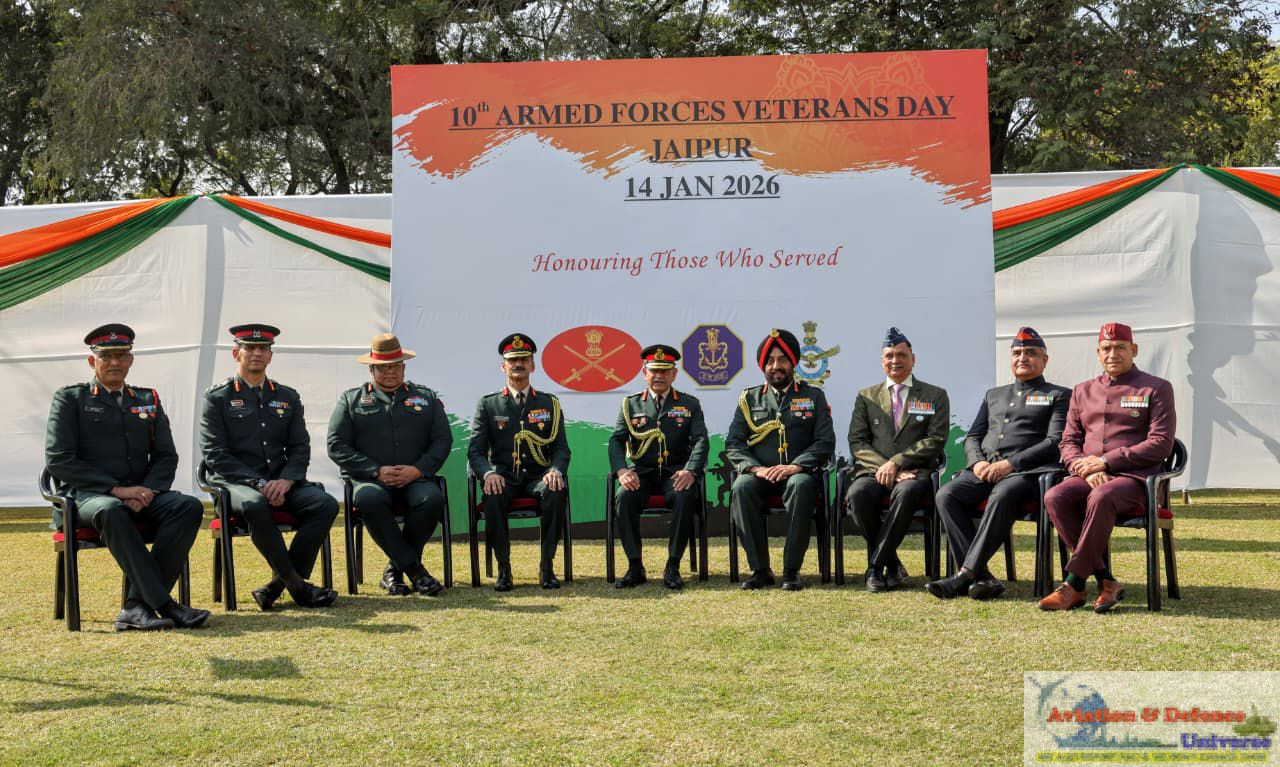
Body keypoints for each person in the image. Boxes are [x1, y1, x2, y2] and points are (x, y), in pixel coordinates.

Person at [45, 324, 209, 631]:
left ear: (131, 360)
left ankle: (136, 607)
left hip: (140, 494)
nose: (114, 362)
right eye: (106, 356)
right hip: (86, 497)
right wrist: (117, 490)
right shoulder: (70, 399)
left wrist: (147, 491)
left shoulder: (148, 398)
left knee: (187, 507)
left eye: (121, 355)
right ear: (92, 361)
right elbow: (59, 460)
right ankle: (165, 605)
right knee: (111, 509)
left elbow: (166, 456)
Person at [200, 323, 339, 610]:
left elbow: (299, 447)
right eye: (250, 348)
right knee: (255, 504)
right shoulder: (218, 397)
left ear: (270, 356)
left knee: (324, 504)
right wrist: (258, 483)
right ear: (236, 353)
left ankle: (276, 586)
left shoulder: (287, 397)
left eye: (263, 349)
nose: (256, 353)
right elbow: (215, 453)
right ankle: (298, 587)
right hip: (235, 483)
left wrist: (287, 480)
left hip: (280, 481)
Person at [1039, 322, 1175, 613]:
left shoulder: (1156, 388)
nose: (1113, 354)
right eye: (1106, 348)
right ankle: (1106, 580)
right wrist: (1085, 468)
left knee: (1101, 496)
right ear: (1098, 353)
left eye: (1120, 347)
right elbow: (1068, 441)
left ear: (1134, 350)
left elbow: (1161, 443)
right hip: (1089, 475)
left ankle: (1074, 584)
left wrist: (1107, 461)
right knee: (1055, 496)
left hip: (1136, 479)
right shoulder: (1083, 390)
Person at [926, 327, 1070, 600]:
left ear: (1045, 360)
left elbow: (1054, 441)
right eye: (1016, 353)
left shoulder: (1058, 394)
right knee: (947, 495)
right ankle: (983, 578)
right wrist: (977, 462)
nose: (1022, 358)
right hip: (985, 469)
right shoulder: (994, 394)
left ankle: (964, 575)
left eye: (1030, 353)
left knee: (1003, 494)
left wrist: (1011, 464)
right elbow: (973, 436)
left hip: (1027, 474)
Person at [327, 333, 453, 596]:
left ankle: (394, 571)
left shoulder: (426, 398)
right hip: (371, 480)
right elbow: (336, 445)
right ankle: (415, 571)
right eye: (382, 367)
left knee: (432, 500)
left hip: (415, 479)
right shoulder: (351, 400)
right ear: (371, 369)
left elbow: (442, 440)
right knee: (369, 499)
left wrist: (417, 470)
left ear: (404, 368)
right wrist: (375, 470)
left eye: (395, 366)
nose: (389, 372)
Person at [725, 329, 835, 591]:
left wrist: (795, 466)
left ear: (793, 362)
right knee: (741, 487)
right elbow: (734, 443)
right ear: (763, 366)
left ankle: (791, 570)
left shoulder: (813, 396)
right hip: (761, 474)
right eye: (770, 361)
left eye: (782, 359)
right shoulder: (748, 399)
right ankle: (760, 570)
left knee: (801, 485)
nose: (776, 366)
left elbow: (825, 441)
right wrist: (756, 469)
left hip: (797, 472)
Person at [846, 327, 949, 592]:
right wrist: (884, 466)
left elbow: (935, 439)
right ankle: (892, 564)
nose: (895, 361)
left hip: (914, 473)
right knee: (857, 494)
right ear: (882, 361)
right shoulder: (866, 396)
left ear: (913, 359)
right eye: (889, 356)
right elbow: (857, 442)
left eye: (901, 355)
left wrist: (898, 462)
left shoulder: (935, 395)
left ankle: (874, 567)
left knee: (906, 492)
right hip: (873, 472)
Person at [467, 334, 571, 591]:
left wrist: (555, 470)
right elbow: (476, 451)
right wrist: (488, 474)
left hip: (538, 477)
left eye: (524, 359)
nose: (518, 364)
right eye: (512, 360)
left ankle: (547, 566)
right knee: (493, 493)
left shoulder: (549, 403)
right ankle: (504, 568)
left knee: (556, 490)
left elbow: (561, 448)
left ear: (532, 365)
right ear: (503, 366)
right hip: (504, 477)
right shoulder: (488, 404)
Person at [607, 344, 709, 590]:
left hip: (675, 473)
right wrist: (622, 470)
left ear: (674, 374)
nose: (659, 376)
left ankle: (673, 565)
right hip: (642, 473)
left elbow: (701, 440)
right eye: (654, 371)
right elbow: (616, 441)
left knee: (684, 495)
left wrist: (691, 470)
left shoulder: (689, 404)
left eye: (665, 371)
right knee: (624, 497)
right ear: (645, 373)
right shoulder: (630, 404)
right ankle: (635, 566)